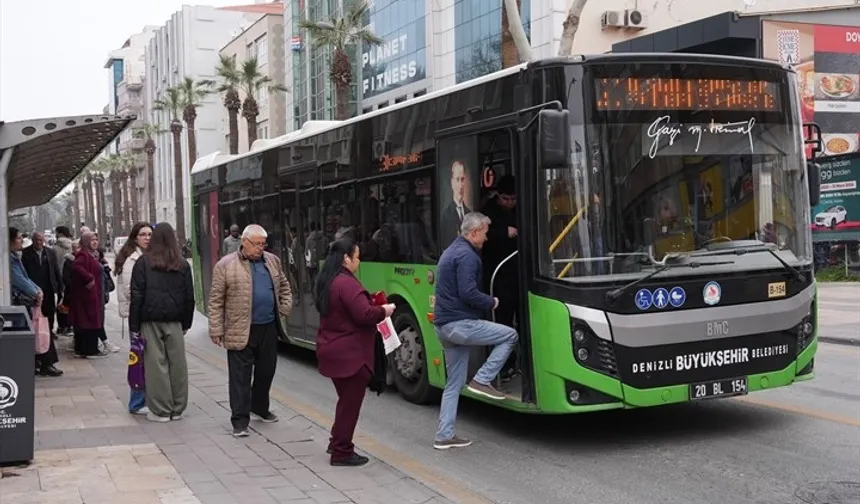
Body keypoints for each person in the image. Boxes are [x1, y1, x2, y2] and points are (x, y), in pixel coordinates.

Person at [432, 212, 518, 450]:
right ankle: (482, 379)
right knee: (510, 335)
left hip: (443, 327)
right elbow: (468, 292)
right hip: (460, 324)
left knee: (453, 384)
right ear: (473, 233)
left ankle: (444, 435)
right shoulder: (468, 256)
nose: (487, 237)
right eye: (485, 232)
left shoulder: (450, 251)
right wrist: (492, 302)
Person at [314, 239, 395, 466]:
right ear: (346, 258)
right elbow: (364, 315)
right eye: (357, 256)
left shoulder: (328, 280)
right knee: (350, 405)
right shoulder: (346, 283)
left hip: (332, 350)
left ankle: (336, 441)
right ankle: (341, 451)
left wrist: (368, 302)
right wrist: (384, 310)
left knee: (345, 402)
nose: (359, 261)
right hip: (350, 355)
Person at [208, 224, 293, 437]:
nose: (261, 248)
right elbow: (216, 300)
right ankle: (239, 421)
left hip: (268, 327)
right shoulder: (225, 265)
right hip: (240, 329)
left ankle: (260, 407)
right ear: (244, 242)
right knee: (240, 377)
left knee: (266, 371)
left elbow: (284, 286)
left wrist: (284, 307)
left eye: (264, 244)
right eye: (257, 244)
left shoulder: (272, 261)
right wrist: (216, 329)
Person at [128, 222, 195, 423]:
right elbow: (189, 297)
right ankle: (178, 407)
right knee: (178, 365)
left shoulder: (143, 263)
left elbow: (137, 296)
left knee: (156, 365)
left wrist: (134, 326)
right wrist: (186, 323)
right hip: (175, 321)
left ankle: (160, 409)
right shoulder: (182, 264)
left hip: (150, 321)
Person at [480, 175, 519, 380]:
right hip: (497, 274)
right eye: (505, 199)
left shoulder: (521, 208)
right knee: (502, 322)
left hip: (518, 272)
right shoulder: (489, 210)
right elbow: (484, 235)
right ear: (498, 196)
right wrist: (505, 232)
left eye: (513, 200)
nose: (509, 203)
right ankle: (504, 365)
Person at [115, 222, 153, 415]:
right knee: (139, 359)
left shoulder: (144, 257)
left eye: (149, 234)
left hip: (141, 314)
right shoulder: (133, 260)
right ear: (135, 237)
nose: (147, 238)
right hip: (137, 316)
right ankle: (137, 402)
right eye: (143, 235)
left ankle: (143, 399)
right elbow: (132, 291)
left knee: (143, 358)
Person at [21, 232, 65, 376]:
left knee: (47, 326)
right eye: (37, 240)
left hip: (47, 294)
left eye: (41, 240)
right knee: (34, 326)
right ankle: (37, 360)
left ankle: (46, 358)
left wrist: (60, 290)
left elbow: (55, 271)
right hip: (32, 296)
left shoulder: (50, 253)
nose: (39, 242)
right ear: (33, 241)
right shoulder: (26, 254)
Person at [69, 232, 108, 358]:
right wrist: (89, 279)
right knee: (88, 321)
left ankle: (84, 349)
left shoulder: (93, 255)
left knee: (88, 321)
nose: (95, 242)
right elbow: (76, 267)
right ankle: (89, 350)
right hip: (86, 296)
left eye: (96, 239)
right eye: (92, 240)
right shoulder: (83, 254)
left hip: (91, 295)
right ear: (86, 242)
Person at [440, 161, 472, 249]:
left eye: (462, 179)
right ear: (452, 182)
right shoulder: (445, 215)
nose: (460, 185)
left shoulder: (469, 213)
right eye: (457, 179)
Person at [52, 226, 74, 335]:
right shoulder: (73, 246)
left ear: (60, 234)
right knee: (70, 302)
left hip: (60, 279)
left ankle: (62, 326)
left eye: (56, 233)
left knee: (61, 303)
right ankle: (70, 325)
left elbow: (53, 266)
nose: (55, 235)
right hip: (71, 279)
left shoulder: (55, 248)